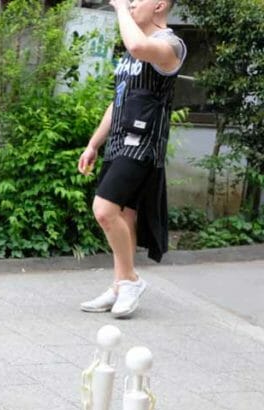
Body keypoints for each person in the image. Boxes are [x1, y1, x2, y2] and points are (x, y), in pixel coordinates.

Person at [78, 0, 186, 318]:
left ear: (160, 5)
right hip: (118, 143)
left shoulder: (171, 45)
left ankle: (131, 281)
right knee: (123, 217)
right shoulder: (132, 51)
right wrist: (93, 144)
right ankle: (118, 285)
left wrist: (119, 7)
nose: (133, 2)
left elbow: (139, 46)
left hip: (143, 145)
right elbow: (119, 100)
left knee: (104, 210)